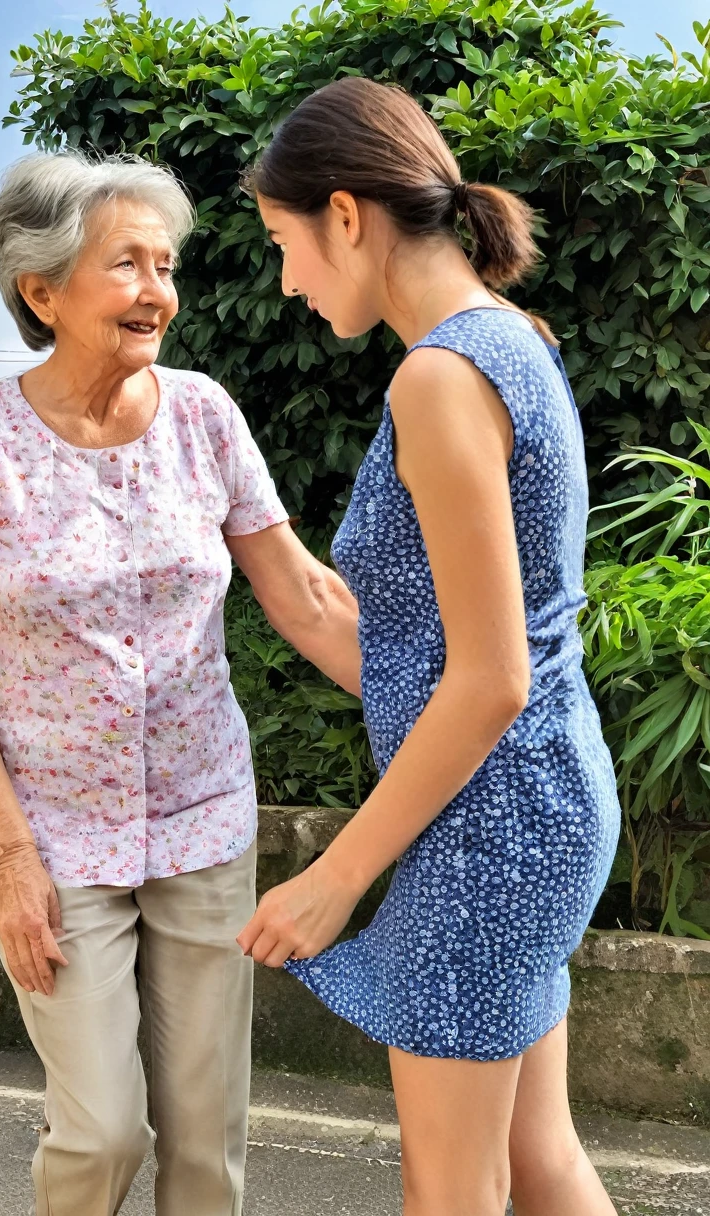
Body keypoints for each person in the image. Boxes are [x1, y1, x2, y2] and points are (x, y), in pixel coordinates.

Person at [0, 150, 361, 1216]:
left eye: (166, 264)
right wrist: (11, 860)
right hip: (54, 835)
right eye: (127, 264)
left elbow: (301, 596)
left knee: (208, 1142)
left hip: (202, 817)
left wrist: (452, 701)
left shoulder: (205, 414)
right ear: (42, 288)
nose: (159, 290)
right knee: (104, 1130)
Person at [237, 76, 621, 1216]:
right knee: (538, 1161)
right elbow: (441, 648)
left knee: (451, 1191)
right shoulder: (510, 343)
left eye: (282, 244)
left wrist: (334, 875)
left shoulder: (440, 377)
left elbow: (490, 677)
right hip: (539, 804)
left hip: (491, 831)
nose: (288, 280)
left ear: (344, 215)